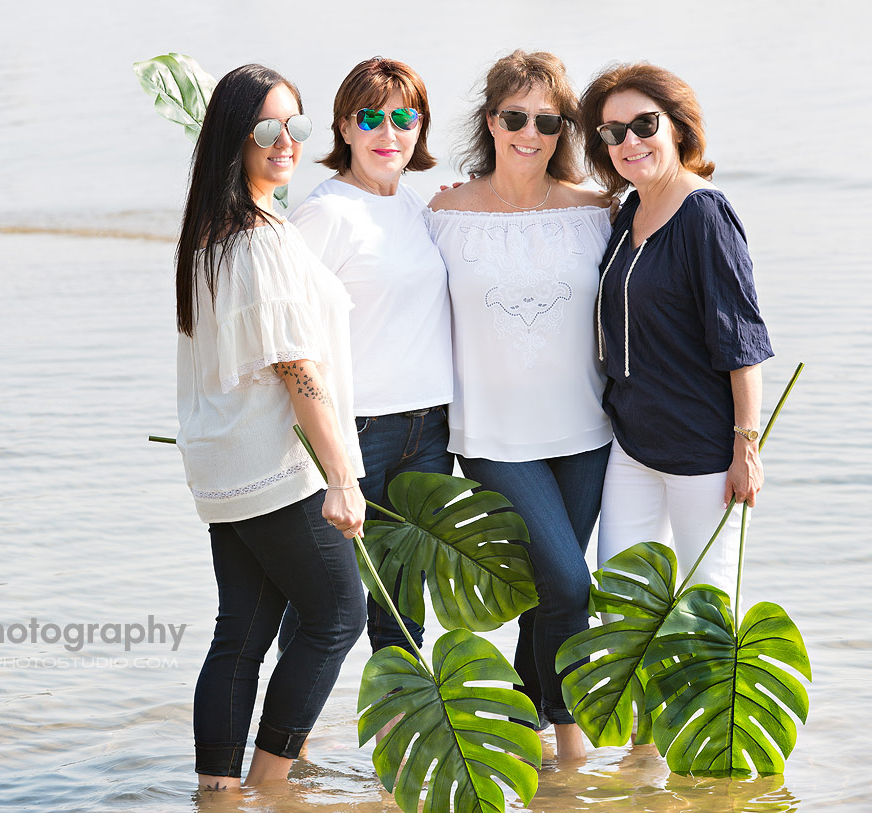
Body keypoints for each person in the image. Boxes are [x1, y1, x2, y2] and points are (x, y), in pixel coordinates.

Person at [174, 63, 366, 790]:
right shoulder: (256, 238)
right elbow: (296, 368)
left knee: (243, 635)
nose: (285, 141)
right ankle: (271, 783)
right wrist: (341, 475)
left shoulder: (211, 235)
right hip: (274, 466)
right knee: (336, 617)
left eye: (296, 124)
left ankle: (219, 791)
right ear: (234, 138)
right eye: (266, 128)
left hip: (226, 466)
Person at [426, 50, 614, 762]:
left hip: (587, 433)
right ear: (490, 119)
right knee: (568, 581)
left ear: (564, 127)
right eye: (514, 117)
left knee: (546, 592)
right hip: (494, 440)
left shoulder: (597, 211)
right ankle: (571, 749)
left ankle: (517, 723)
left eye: (546, 119)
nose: (528, 132)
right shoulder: (444, 213)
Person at [279, 57, 453, 656]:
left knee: (402, 610)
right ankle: (287, 744)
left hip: (430, 429)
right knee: (326, 607)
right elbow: (284, 336)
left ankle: (396, 746)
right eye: (370, 117)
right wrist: (334, 464)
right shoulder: (325, 213)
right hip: (359, 430)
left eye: (404, 117)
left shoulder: (419, 207)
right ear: (345, 128)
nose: (389, 133)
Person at [580, 63, 773, 593]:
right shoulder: (629, 209)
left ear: (678, 128)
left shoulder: (704, 214)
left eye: (644, 125)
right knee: (621, 610)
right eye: (613, 133)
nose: (629, 141)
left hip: (704, 455)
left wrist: (745, 448)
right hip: (634, 446)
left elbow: (742, 342)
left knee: (707, 613)